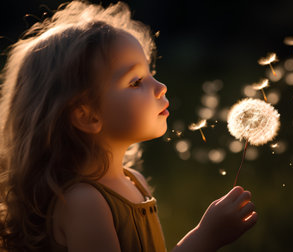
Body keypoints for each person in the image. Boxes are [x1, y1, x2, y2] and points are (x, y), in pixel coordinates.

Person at [0, 1, 257, 251]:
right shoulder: (85, 203)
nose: (161, 87)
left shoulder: (135, 183)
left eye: (150, 72)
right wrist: (205, 238)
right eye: (136, 81)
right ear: (87, 116)